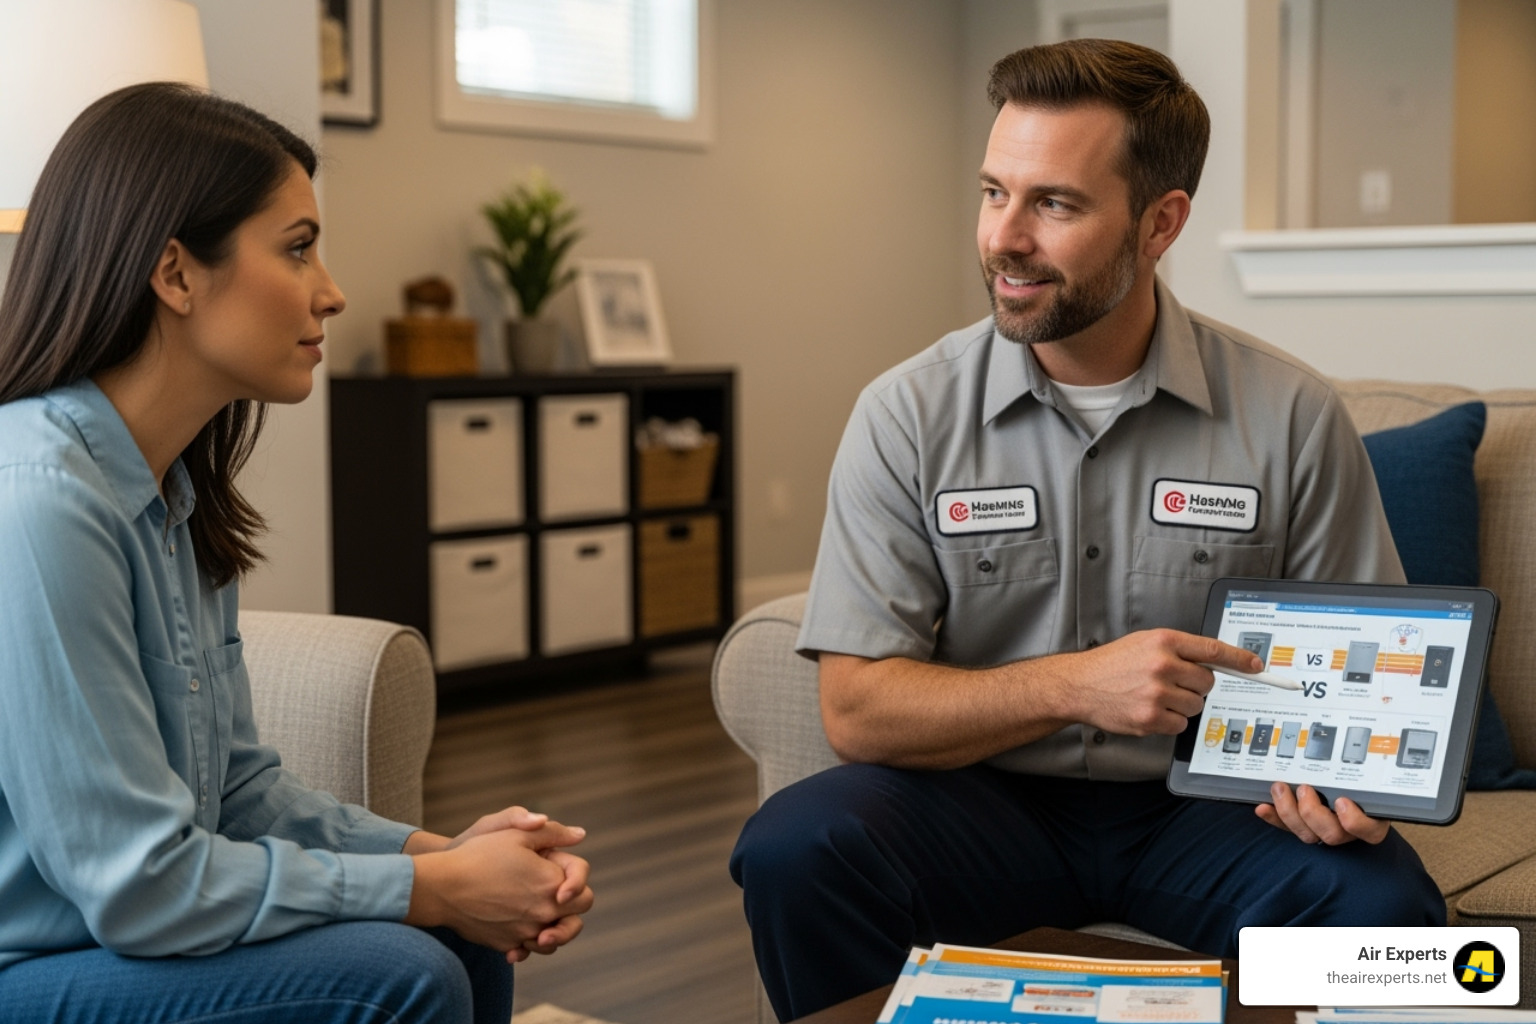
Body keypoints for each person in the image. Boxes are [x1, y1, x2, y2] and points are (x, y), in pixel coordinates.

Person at [729, 39, 1444, 1022]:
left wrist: (1342, 784)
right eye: (993, 193)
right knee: (791, 846)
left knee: (1392, 922)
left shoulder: (1289, 415)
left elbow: (1367, 697)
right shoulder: (906, 415)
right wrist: (1078, 684)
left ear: (1160, 223)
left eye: (1053, 204)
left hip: (1209, 813)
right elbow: (856, 710)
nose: (1004, 238)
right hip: (977, 805)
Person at [0, 83, 593, 1024]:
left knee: (449, 941)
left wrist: (445, 860)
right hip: (27, 964)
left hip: (100, 939)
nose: (333, 290)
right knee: (409, 969)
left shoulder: (176, 497)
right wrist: (434, 890)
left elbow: (236, 794)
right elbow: (139, 888)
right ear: (176, 273)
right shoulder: (38, 502)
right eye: (299, 247)